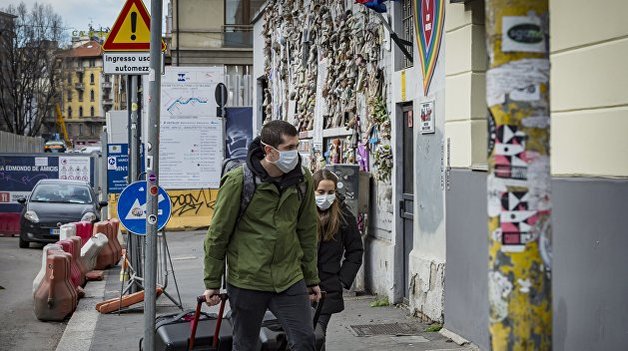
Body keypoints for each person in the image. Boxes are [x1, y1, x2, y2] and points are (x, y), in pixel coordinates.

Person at [203, 120, 322, 351]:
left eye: (296, 147)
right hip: (247, 279)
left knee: (305, 340)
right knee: (246, 345)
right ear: (269, 150)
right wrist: (212, 283)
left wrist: (311, 278)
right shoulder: (239, 181)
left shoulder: (303, 179)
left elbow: (307, 230)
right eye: (289, 148)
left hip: (288, 277)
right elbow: (218, 234)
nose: (294, 154)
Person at [312, 169, 364, 338]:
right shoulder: (300, 213)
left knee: (317, 335)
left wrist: (342, 280)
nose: (325, 196)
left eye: (330, 192)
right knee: (304, 336)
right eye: (321, 192)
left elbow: (355, 250)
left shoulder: (343, 216)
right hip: (300, 287)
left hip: (328, 287)